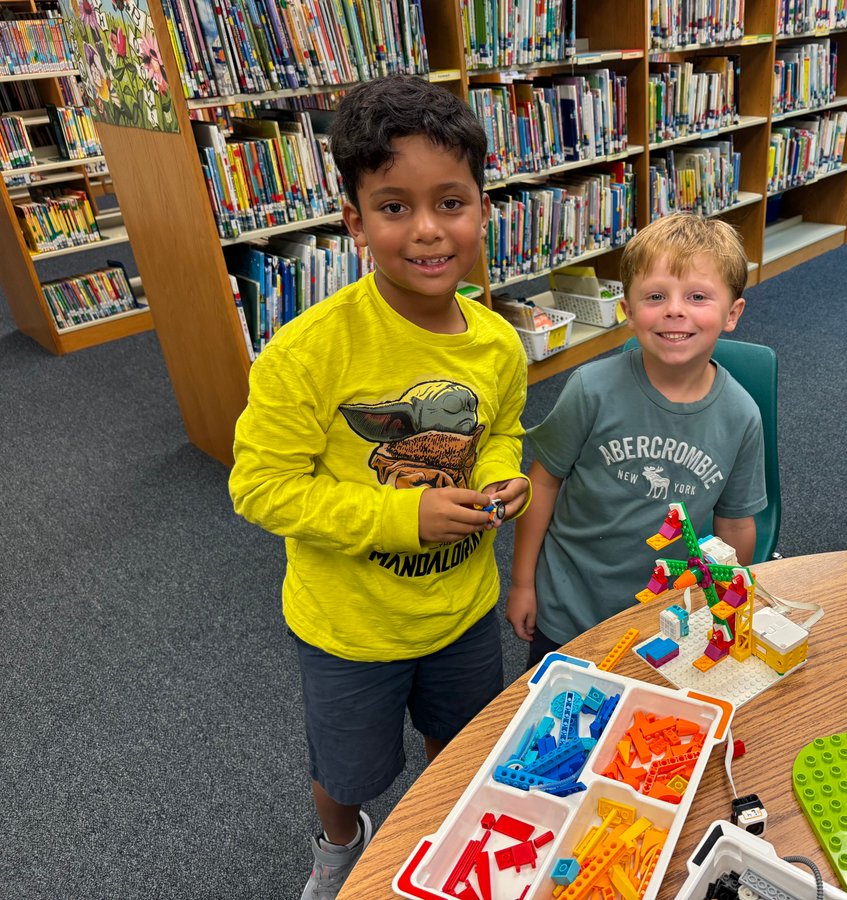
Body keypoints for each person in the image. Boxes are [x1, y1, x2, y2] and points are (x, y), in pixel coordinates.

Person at [228, 75, 529, 900]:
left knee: (462, 749)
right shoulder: (307, 353)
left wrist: (500, 477)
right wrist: (403, 515)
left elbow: (501, 429)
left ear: (482, 208)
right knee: (347, 773)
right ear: (354, 221)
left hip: (462, 611)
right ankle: (337, 848)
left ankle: (444, 835)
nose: (428, 230)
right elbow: (260, 488)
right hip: (350, 629)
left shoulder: (498, 344)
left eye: (451, 203)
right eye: (395, 207)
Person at [507, 213, 767, 666]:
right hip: (571, 607)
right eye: (655, 296)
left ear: (732, 314)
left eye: (697, 296)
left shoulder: (741, 415)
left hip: (671, 613)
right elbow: (543, 482)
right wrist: (522, 583)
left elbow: (735, 524)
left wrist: (725, 603)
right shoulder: (590, 390)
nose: (675, 310)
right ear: (628, 311)